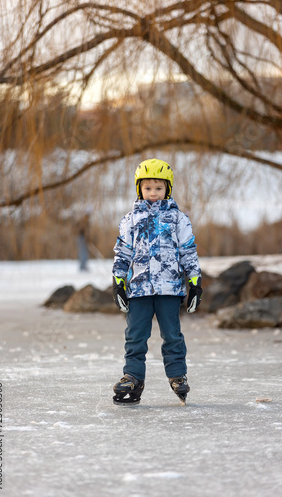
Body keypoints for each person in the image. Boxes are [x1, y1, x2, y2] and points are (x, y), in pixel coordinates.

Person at [112, 158, 202, 405]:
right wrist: (119, 281)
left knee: (172, 334)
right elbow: (123, 253)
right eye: (148, 188)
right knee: (135, 336)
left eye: (159, 188)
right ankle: (132, 377)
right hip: (138, 289)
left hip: (169, 288)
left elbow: (188, 251)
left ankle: (177, 376)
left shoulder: (178, 219)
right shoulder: (130, 220)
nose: (153, 193)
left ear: (168, 189)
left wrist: (194, 283)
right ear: (139, 188)